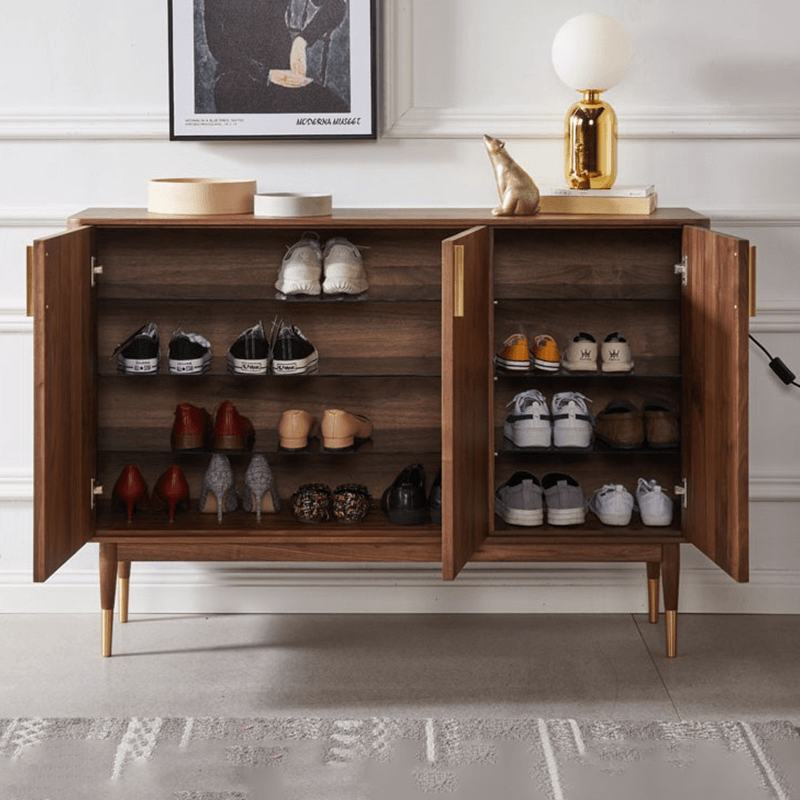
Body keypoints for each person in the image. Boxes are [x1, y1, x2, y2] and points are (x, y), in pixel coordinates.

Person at [202, 0, 349, 114]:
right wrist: (267, 74)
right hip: (237, 75)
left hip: (284, 72)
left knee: (337, 108)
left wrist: (302, 41)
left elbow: (336, 5)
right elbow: (218, 45)